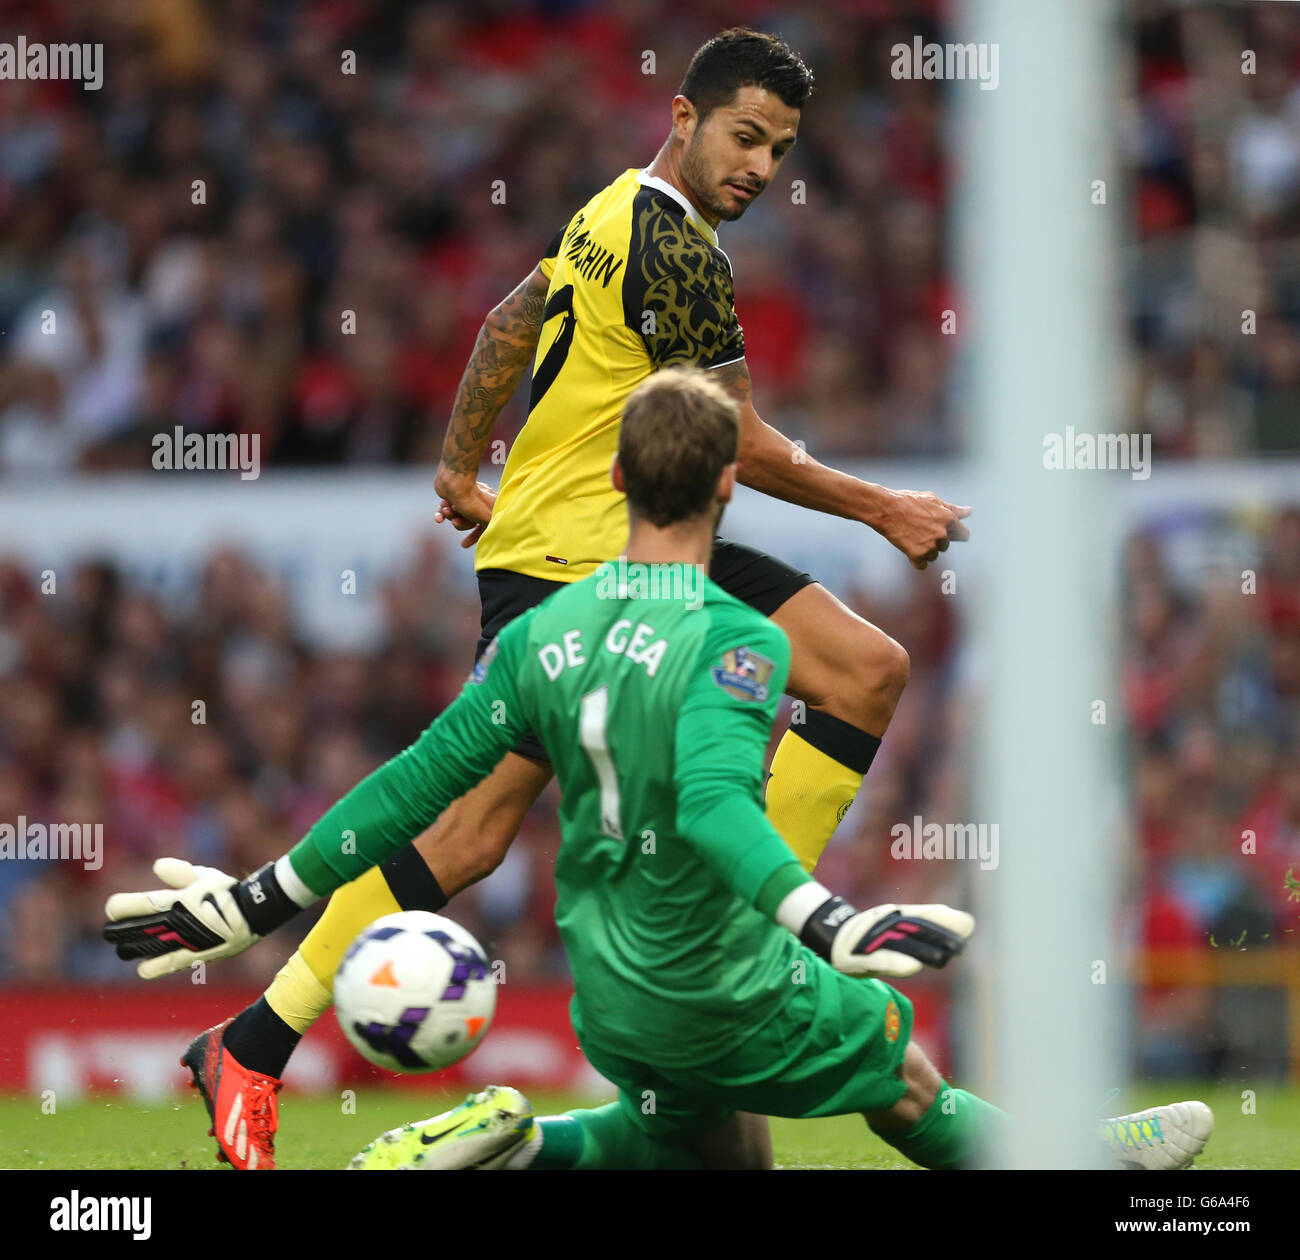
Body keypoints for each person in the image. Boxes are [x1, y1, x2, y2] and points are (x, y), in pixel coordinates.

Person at [105, 369, 1212, 1171]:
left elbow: (412, 785)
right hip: (717, 976)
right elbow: (726, 810)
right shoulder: (741, 643)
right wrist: (831, 925)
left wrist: (258, 899)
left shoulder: (540, 638)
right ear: (731, 483)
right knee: (905, 1084)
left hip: (610, 994)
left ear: (616, 479)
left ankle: (515, 1147)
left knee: (708, 1151)